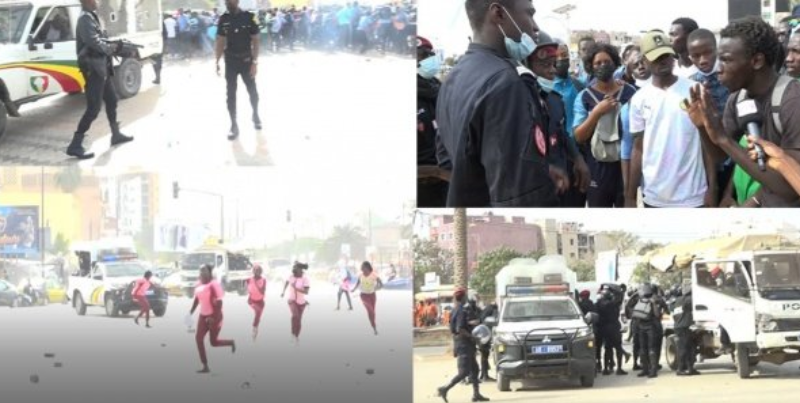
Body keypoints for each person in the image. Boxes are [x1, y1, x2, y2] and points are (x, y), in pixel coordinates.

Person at [436, 0, 568, 207]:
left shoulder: (454, 77)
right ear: (498, 13)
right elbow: (519, 196)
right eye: (529, 14)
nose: (535, 27)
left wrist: (539, 168)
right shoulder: (505, 83)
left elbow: (450, 158)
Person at [686, 17, 800, 207]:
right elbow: (721, 156)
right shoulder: (738, 98)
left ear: (756, 61)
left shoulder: (792, 101)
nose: (718, 69)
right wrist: (704, 127)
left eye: (726, 60)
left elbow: (790, 189)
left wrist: (723, 138)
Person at [627, 31, 715, 208]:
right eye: (656, 57)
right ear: (644, 61)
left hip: (694, 195)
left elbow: (708, 143)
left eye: (666, 55)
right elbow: (638, 147)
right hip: (655, 196)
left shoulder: (695, 90)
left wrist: (713, 188)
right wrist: (629, 196)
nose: (663, 60)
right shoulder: (639, 99)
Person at [528, 33, 591, 207]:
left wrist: (578, 159)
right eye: (545, 65)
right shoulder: (520, 101)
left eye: (553, 64)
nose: (552, 70)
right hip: (537, 184)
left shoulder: (554, 100)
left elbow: (561, 132)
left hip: (562, 173)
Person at [573, 42, 637, 207]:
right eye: (597, 63)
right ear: (590, 67)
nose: (603, 66)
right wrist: (596, 113)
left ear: (615, 63)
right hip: (597, 168)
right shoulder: (584, 97)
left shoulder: (631, 93)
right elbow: (579, 137)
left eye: (607, 62)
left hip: (625, 166)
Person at [68, 0, 133, 159]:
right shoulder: (84, 19)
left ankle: (115, 134)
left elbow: (100, 38)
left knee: (112, 100)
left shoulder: (91, 16)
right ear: (87, 1)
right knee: (94, 108)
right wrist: (111, 49)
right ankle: (75, 145)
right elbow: (93, 42)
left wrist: (116, 44)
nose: (97, 1)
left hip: (101, 67)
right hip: (93, 70)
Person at [216, 0, 261, 140]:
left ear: (237, 1)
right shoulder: (224, 19)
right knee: (230, 94)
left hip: (246, 61)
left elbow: (256, 40)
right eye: (227, 1)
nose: (229, 2)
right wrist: (216, 60)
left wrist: (254, 62)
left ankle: (255, 114)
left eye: (232, 0)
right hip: (230, 62)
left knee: (252, 91)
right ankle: (234, 125)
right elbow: (220, 41)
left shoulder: (249, 17)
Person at [437, 287, 489, 403]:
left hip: (466, 345)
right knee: (463, 372)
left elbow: (458, 326)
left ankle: (476, 394)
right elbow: (459, 328)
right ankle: (444, 389)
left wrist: (471, 325)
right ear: (464, 297)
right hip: (463, 345)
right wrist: (472, 337)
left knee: (475, 370)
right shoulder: (460, 310)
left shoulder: (456, 309)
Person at [417, 35, 449, 207]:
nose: (430, 59)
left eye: (430, 55)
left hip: (447, 183)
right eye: (423, 55)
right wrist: (435, 172)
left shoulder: (440, 90)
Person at [190, 264, 236, 373]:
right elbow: (197, 299)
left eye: (204, 271)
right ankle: (205, 366)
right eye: (200, 271)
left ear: (210, 272)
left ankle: (231, 342)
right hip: (203, 316)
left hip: (215, 316)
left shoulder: (213, 285)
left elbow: (219, 303)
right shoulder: (198, 285)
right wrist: (191, 311)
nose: (202, 273)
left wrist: (213, 317)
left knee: (213, 342)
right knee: (198, 339)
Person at [632, 283, 661, 378]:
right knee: (651, 349)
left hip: (641, 327)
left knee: (642, 349)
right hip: (650, 328)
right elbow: (657, 315)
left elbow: (632, 314)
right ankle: (653, 370)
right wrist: (654, 304)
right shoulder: (653, 301)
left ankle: (645, 370)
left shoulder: (639, 301)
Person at [672, 283, 699, 376]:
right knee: (684, 349)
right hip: (684, 327)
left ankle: (690, 368)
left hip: (679, 326)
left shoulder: (678, 300)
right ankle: (680, 369)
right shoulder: (690, 299)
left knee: (689, 348)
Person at [281, 261, 310, 345]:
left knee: (299, 320)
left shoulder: (305, 279)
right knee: (295, 316)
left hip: (301, 303)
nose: (293, 270)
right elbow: (287, 282)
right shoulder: (291, 276)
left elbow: (306, 291)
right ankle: (292, 334)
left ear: (300, 270)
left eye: (296, 269)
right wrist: (283, 291)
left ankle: (296, 336)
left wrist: (296, 288)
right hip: (292, 300)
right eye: (293, 268)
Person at [351, 261, 383, 335]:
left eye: (362, 266)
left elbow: (381, 284)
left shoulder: (373, 275)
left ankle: (373, 326)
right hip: (363, 296)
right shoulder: (360, 275)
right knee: (370, 310)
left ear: (366, 267)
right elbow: (358, 283)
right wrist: (354, 289)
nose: (361, 268)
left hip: (372, 295)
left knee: (372, 312)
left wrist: (377, 288)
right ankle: (374, 326)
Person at [247, 264, 267, 340]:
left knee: (258, 316)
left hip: (261, 302)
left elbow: (262, 292)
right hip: (252, 301)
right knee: (258, 313)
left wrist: (256, 283)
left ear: (261, 271)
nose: (256, 272)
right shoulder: (249, 279)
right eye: (255, 270)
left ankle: (255, 329)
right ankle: (254, 329)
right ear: (253, 271)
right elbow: (244, 286)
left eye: (258, 270)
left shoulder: (263, 280)